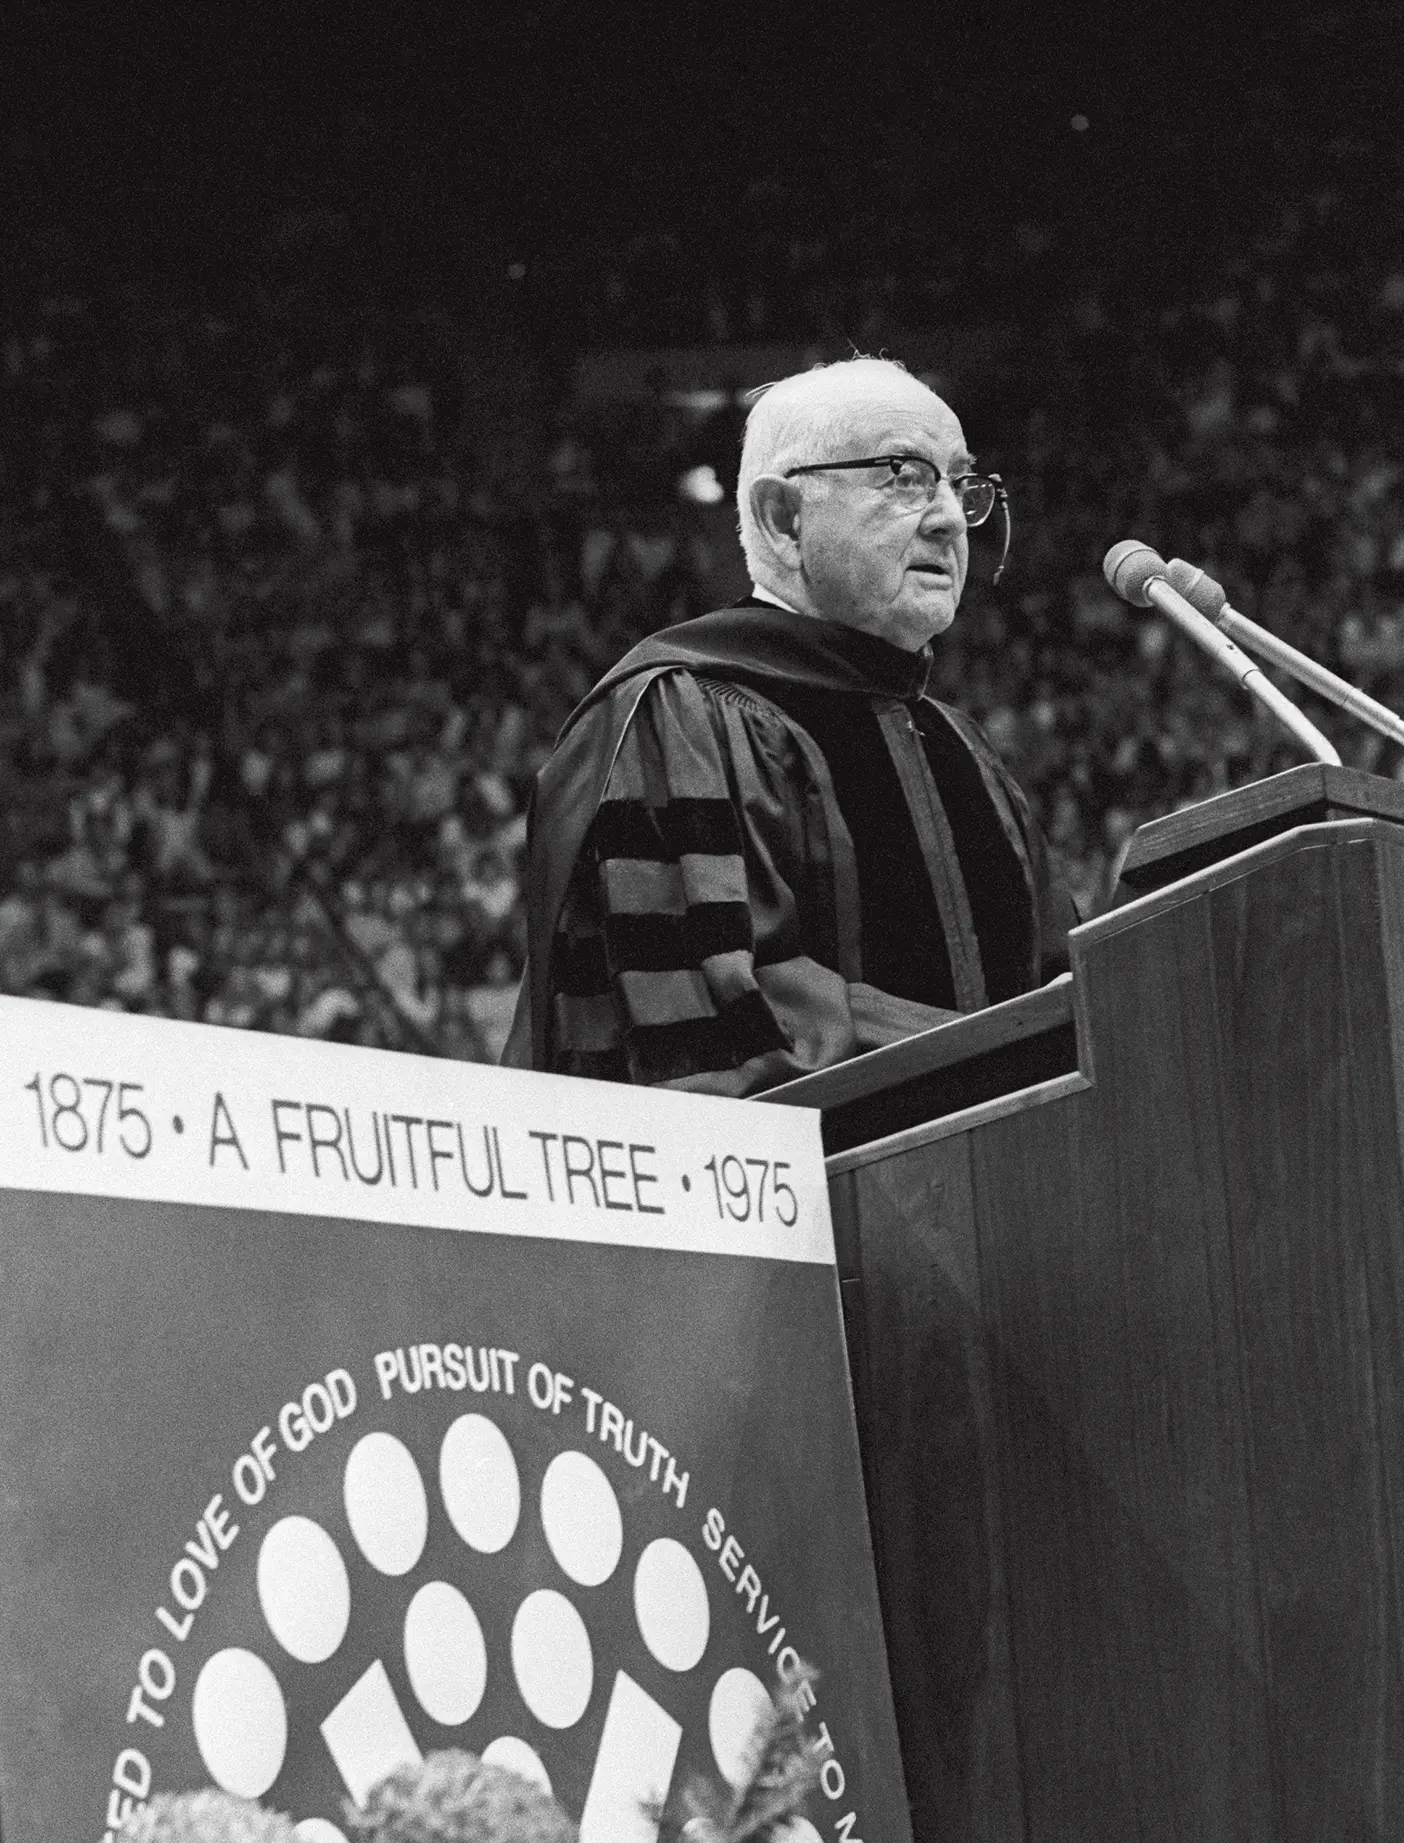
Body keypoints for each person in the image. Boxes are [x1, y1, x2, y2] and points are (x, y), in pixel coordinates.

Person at [503, 357, 1075, 1092]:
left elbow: (1061, 994)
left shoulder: (965, 751)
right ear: (784, 518)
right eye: (903, 476)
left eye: (959, 484)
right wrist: (997, 1052)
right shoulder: (678, 720)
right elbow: (715, 1037)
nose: (945, 518)